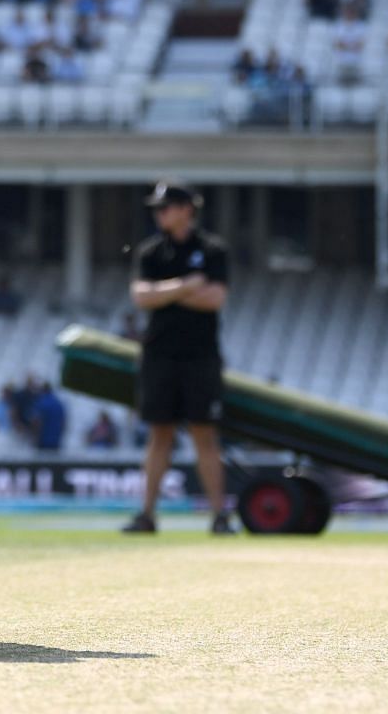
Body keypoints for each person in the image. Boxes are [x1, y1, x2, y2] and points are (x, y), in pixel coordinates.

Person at [122, 179, 235, 536]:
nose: (159, 214)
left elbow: (215, 298)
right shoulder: (151, 252)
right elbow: (141, 296)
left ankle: (219, 516)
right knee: (160, 433)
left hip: (200, 355)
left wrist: (164, 292)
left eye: (165, 207)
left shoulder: (213, 249)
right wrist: (186, 287)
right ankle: (147, 515)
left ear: (187, 209)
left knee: (205, 433)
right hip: (160, 355)